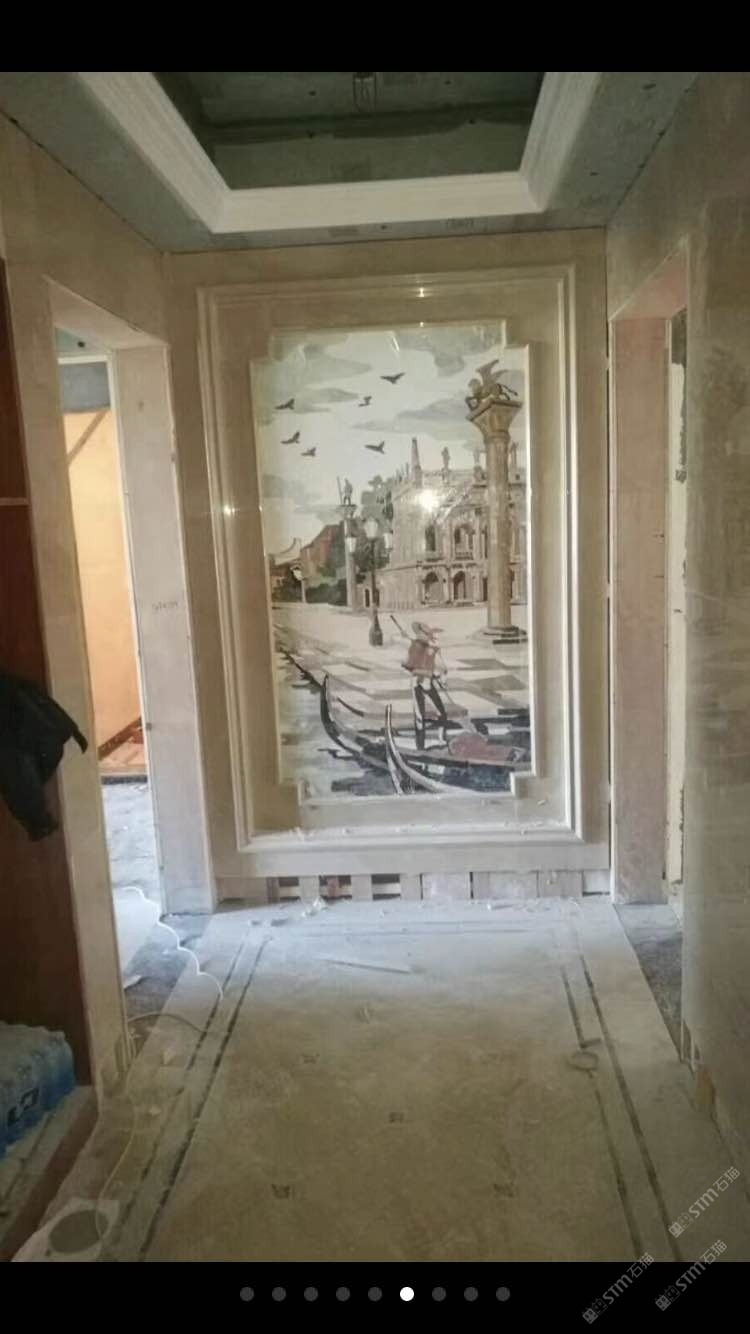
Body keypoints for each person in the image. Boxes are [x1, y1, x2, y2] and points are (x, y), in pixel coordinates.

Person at [397, 620, 450, 747]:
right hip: (418, 684)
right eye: (420, 634)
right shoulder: (415, 646)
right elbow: (405, 663)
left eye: (425, 634)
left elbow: (442, 668)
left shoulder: (432, 649)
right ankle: (421, 745)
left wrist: (441, 678)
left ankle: (441, 739)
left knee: (440, 713)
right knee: (420, 716)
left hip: (426, 683)